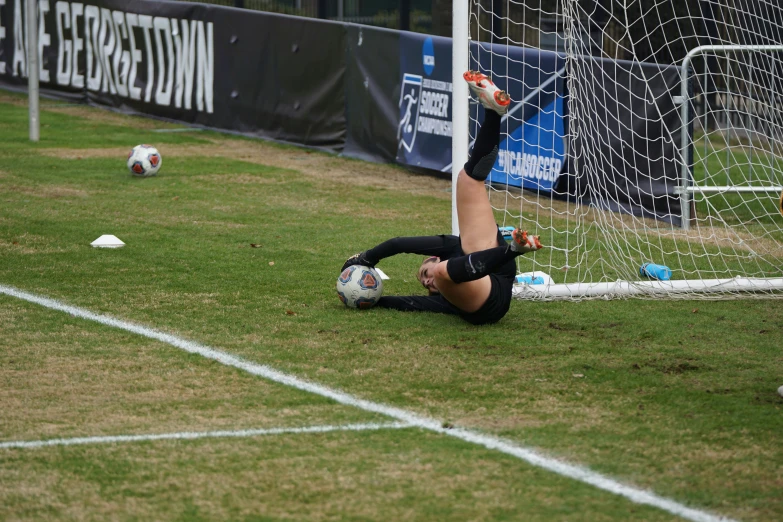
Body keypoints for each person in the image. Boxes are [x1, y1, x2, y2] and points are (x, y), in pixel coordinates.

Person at [341, 71, 543, 325]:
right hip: (488, 303)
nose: (426, 282)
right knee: (444, 273)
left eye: (423, 274)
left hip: (493, 268)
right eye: (425, 283)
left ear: (435, 256)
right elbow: (407, 303)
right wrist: (369, 298)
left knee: (467, 179)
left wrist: (366, 258)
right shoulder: (446, 298)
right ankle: (512, 250)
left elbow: (399, 243)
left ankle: (493, 112)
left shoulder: (449, 248)